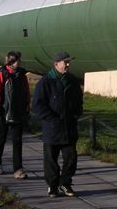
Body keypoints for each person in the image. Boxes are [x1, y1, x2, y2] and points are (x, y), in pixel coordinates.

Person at [33, 51, 83, 198]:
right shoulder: (46, 82)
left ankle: (65, 183)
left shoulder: (72, 81)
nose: (67, 65)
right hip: (52, 128)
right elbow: (38, 104)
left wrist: (76, 114)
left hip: (69, 127)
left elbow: (78, 101)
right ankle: (52, 185)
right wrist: (51, 118)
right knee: (50, 160)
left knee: (71, 158)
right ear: (56, 64)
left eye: (68, 62)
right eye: (65, 62)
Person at [0, 50, 30, 179]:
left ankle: (18, 169)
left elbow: (26, 93)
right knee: (1, 138)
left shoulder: (22, 75)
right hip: (4, 112)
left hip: (18, 112)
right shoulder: (2, 75)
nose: (20, 62)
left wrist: (27, 108)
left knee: (17, 141)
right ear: (12, 61)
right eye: (18, 60)